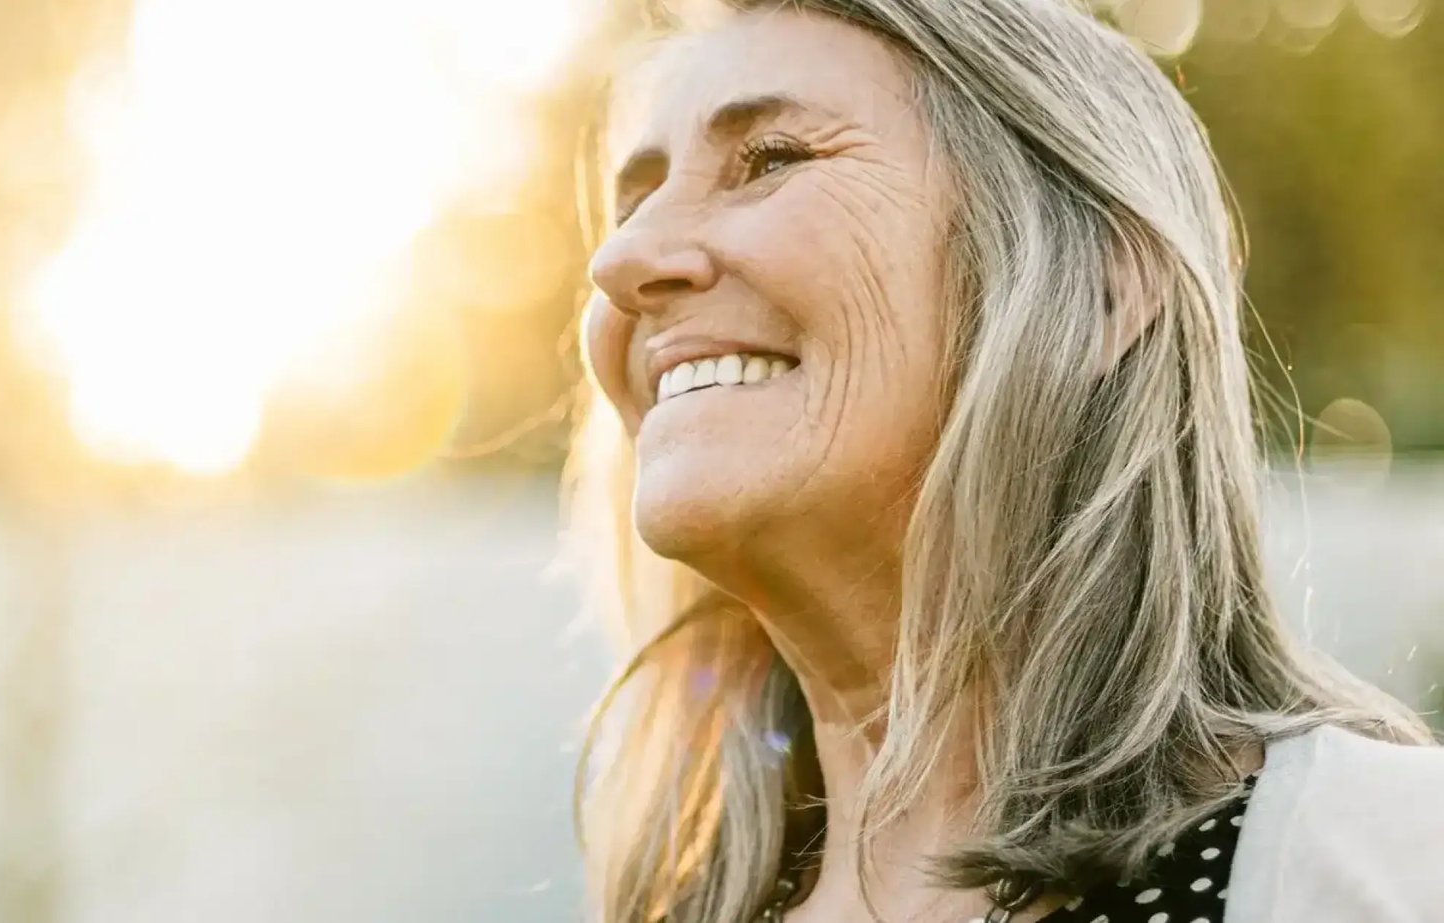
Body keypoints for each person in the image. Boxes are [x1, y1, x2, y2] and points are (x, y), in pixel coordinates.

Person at [564, 1, 1444, 921]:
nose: (621, 258)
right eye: (631, 204)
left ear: (1101, 285)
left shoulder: (1385, 865)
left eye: (772, 158)